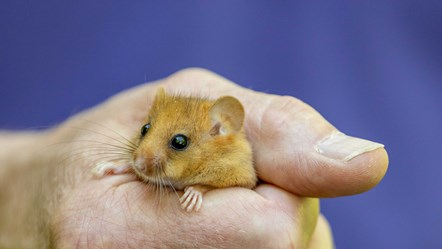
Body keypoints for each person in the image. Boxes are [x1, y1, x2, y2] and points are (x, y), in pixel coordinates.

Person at [0, 68, 388, 248]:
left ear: (223, 127)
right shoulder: (145, 152)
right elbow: (141, 158)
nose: (145, 154)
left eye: (179, 142)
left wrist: (200, 186)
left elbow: (238, 177)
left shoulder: (229, 153)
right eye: (147, 132)